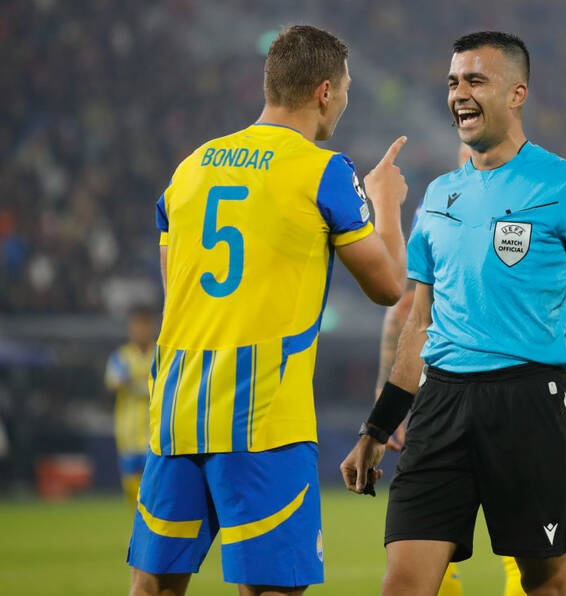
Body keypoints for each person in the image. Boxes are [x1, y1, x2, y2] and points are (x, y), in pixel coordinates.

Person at [341, 31, 566, 596]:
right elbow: (418, 323)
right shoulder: (438, 196)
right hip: (440, 404)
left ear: (517, 93)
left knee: (546, 582)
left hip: (529, 402)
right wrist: (377, 427)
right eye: (452, 82)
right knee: (403, 583)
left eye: (475, 80)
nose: (458, 93)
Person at [127, 25, 408, 596]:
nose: (345, 102)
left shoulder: (190, 168)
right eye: (346, 89)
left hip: (178, 410)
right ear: (325, 91)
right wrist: (385, 200)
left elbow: (175, 289)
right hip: (262, 416)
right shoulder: (322, 170)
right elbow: (388, 287)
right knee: (271, 589)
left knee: (154, 586)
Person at [373, 144, 566, 596]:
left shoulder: (440, 203)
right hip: (491, 397)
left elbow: (403, 309)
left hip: (452, 397)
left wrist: (388, 403)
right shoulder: (526, 193)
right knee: (529, 568)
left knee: (428, 565)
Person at [104, 304, 157, 505]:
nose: (140, 330)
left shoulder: (159, 354)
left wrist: (134, 381)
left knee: (152, 484)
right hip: (128, 430)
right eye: (136, 325)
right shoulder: (121, 357)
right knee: (131, 488)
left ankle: (149, 520)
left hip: (154, 429)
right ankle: (138, 519)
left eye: (144, 325)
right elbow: (112, 382)